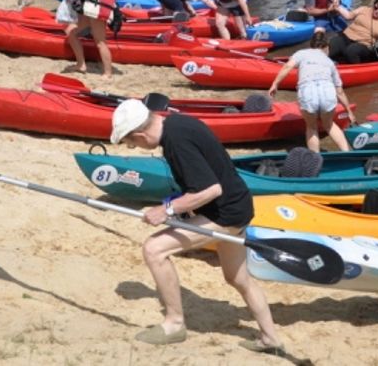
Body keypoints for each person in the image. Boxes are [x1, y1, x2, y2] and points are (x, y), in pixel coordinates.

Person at [109, 99, 283, 353]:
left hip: (225, 214)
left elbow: (211, 189)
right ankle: (271, 338)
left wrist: (166, 210)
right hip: (238, 205)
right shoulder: (177, 122)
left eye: (132, 142)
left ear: (140, 134)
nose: (136, 147)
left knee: (154, 249)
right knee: (238, 278)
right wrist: (181, 208)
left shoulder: (176, 144)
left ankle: (174, 324)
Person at [267, 32, 353, 153]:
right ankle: (347, 154)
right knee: (329, 125)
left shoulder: (301, 53)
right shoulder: (330, 62)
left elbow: (287, 67)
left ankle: (315, 158)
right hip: (327, 90)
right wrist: (349, 111)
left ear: (311, 45)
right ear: (326, 47)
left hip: (308, 91)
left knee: (312, 127)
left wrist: (275, 84)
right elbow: (339, 92)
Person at [330, 0, 378, 65]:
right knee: (334, 43)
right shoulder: (363, 9)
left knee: (351, 51)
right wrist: (338, 7)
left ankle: (357, 72)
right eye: (375, 8)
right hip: (346, 37)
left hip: (363, 46)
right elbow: (348, 15)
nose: (376, 11)